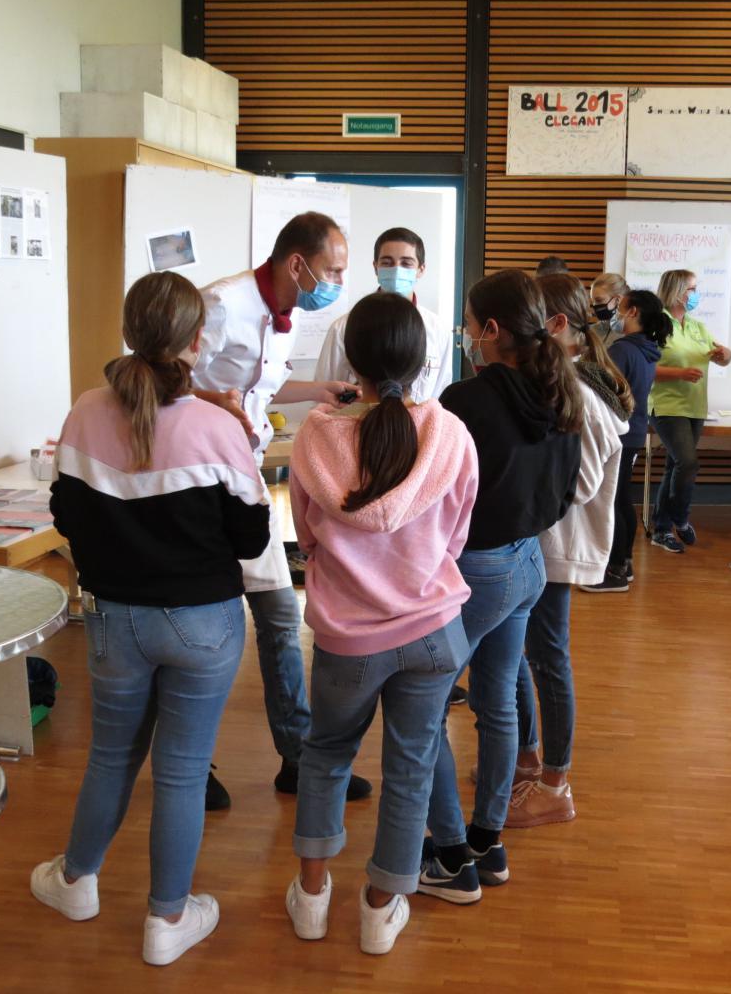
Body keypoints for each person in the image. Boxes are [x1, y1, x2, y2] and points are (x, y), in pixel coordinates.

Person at [32, 272, 271, 966]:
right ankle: (167, 918)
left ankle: (76, 881)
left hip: (114, 621)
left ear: (129, 331)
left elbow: (65, 515)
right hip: (204, 624)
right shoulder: (216, 426)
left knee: (111, 757)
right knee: (182, 771)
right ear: (197, 343)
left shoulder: (84, 411)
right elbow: (253, 537)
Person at [284, 293, 478, 955]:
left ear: (351, 360)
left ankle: (312, 898)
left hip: (348, 637)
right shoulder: (449, 433)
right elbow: (457, 533)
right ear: (422, 359)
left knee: (326, 755)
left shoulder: (316, 437)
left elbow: (306, 534)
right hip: (433, 630)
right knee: (412, 767)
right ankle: (380, 909)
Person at [191, 211, 372, 808]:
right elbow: (158, 378)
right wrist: (211, 402)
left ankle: (297, 758)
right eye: (333, 271)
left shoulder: (286, 317)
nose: (337, 282)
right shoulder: (221, 303)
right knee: (205, 633)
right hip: (197, 484)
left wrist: (316, 391)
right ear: (298, 264)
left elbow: (261, 388)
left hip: (244, 481)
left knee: (276, 619)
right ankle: (192, 765)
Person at [418, 268, 582, 903]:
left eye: (469, 323)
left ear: (490, 329)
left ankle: (450, 856)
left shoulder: (465, 400)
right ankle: (486, 842)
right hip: (528, 562)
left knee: (424, 708)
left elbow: (432, 492)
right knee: (498, 703)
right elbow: (564, 493)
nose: (466, 334)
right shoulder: (561, 390)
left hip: (477, 569)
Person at [508, 273, 627, 827]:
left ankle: (556, 783)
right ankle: (527, 758)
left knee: (548, 659)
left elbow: (575, 485)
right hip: (541, 540)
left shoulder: (582, 393)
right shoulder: (565, 382)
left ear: (556, 324)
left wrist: (511, 493)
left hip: (556, 545)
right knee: (521, 654)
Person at [582, 288, 668, 592]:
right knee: (621, 499)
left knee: (613, 502)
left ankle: (616, 571)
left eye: (621, 308)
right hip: (633, 431)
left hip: (618, 432)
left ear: (633, 312)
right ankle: (625, 563)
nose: (615, 314)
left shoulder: (622, 350)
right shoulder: (646, 348)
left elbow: (605, 391)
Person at [312, 227, 452, 402]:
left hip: (420, 420)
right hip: (357, 419)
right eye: (387, 263)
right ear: (375, 267)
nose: (396, 270)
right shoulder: (343, 328)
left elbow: (441, 394)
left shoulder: (438, 329)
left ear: (421, 269)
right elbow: (324, 395)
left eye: (406, 263)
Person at [648, 268, 731, 553]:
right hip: (667, 405)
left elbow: (721, 357)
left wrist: (726, 355)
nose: (696, 294)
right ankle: (680, 519)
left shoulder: (697, 327)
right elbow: (645, 367)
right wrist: (679, 373)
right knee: (687, 462)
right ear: (676, 291)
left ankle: (661, 530)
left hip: (695, 406)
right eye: (692, 289)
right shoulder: (656, 324)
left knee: (675, 465)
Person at [590, 272, 629, 347]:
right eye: (593, 301)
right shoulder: (591, 331)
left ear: (618, 300)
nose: (595, 305)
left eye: (599, 300)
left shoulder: (629, 333)